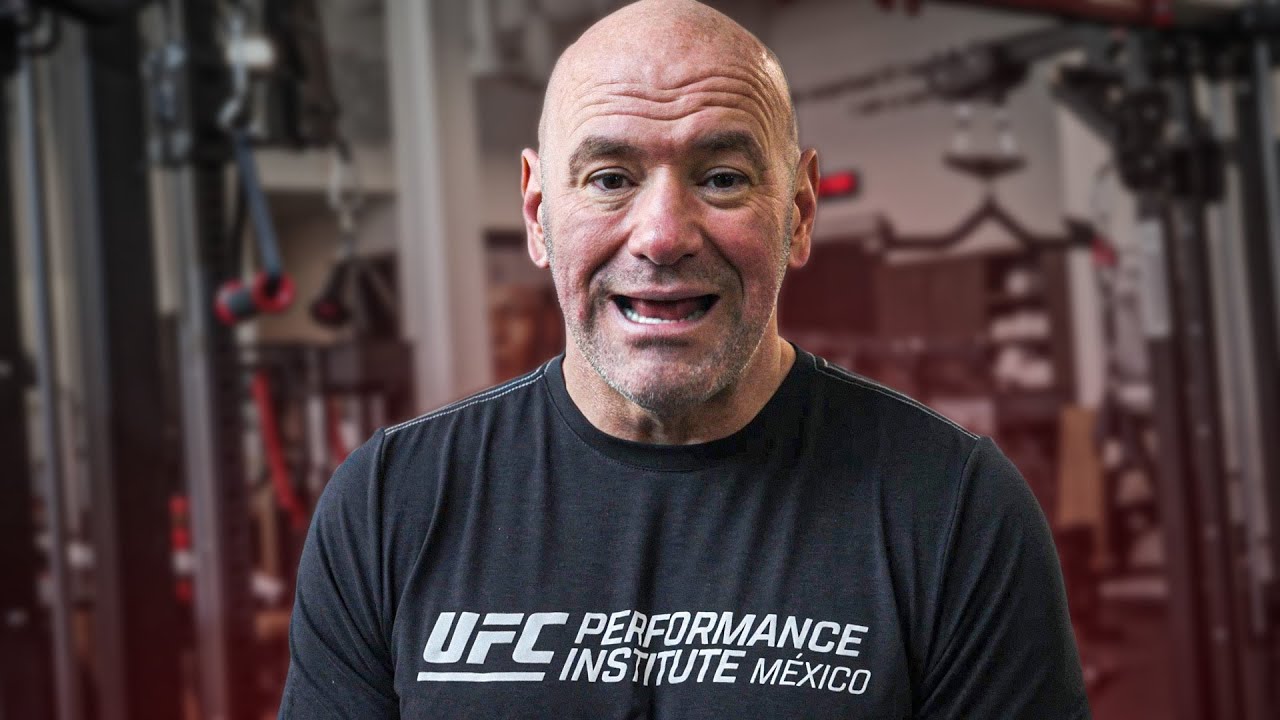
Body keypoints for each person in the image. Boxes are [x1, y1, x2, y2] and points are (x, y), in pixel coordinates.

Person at [279, 1, 1090, 718]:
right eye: (609, 178)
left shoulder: (952, 508)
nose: (663, 235)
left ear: (799, 212)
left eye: (723, 178)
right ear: (537, 214)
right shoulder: (391, 504)